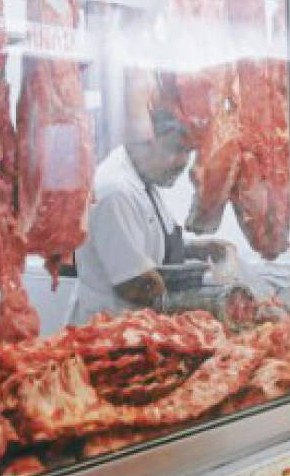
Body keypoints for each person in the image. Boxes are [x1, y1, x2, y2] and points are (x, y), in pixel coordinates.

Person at [71, 107, 231, 323]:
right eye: (176, 149)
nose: (184, 162)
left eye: (189, 152)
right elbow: (135, 285)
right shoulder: (116, 192)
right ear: (143, 142)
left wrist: (195, 249)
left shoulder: (144, 178)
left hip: (139, 329)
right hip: (112, 335)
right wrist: (209, 306)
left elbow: (146, 241)